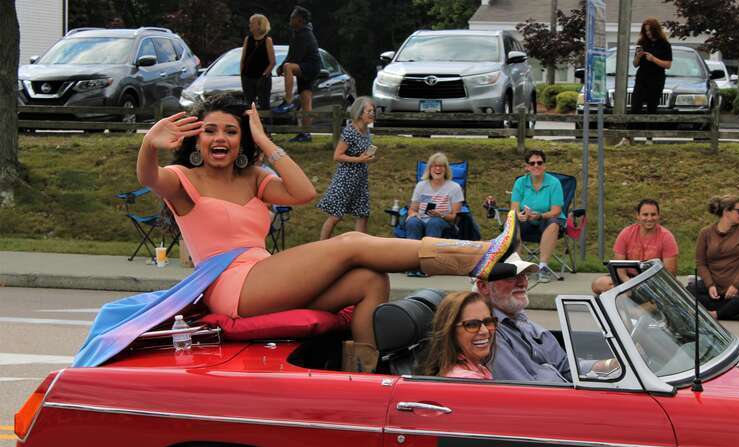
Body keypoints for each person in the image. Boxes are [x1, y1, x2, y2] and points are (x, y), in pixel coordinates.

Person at [136, 95, 520, 372]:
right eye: (210, 131)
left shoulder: (253, 178)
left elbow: (303, 193)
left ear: (242, 141)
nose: (220, 138)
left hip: (266, 275)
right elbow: (148, 177)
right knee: (351, 243)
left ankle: (365, 369)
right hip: (230, 287)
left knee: (369, 279)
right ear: (197, 140)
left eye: (231, 131)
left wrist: (266, 142)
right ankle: (481, 256)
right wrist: (149, 145)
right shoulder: (183, 179)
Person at [475, 253, 618, 383]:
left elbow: (564, 365)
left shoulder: (525, 324)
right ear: (483, 287)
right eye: (511, 277)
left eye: (525, 276)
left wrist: (610, 365)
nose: (522, 283)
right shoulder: (488, 333)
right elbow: (523, 388)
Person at [687, 195, 739, 320]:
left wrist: (735, 285)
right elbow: (701, 263)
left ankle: (717, 314)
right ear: (726, 211)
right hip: (714, 284)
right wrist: (710, 285)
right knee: (688, 291)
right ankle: (734, 311)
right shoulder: (705, 233)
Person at [318, 96, 376, 239]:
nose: (372, 114)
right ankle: (321, 246)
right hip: (346, 179)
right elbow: (337, 156)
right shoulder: (350, 132)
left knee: (363, 213)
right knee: (336, 216)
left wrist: (367, 158)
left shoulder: (366, 131)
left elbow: (361, 154)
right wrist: (358, 159)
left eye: (373, 111)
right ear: (359, 113)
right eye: (369, 111)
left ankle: (360, 248)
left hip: (360, 179)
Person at [593, 198, 679, 290]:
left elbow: (670, 272)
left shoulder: (667, 237)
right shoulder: (626, 233)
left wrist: (648, 287)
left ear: (658, 216)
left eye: (653, 215)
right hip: (627, 279)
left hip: (654, 280)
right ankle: (631, 296)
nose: (649, 218)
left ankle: (635, 299)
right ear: (638, 216)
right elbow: (619, 267)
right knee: (598, 284)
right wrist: (628, 284)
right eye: (645, 215)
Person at [403, 153, 465, 278]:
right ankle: (412, 265)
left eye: (441, 166)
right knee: (412, 222)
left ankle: (428, 266)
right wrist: (412, 214)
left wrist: (440, 215)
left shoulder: (454, 187)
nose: (438, 169)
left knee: (434, 222)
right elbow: (412, 209)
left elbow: (454, 216)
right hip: (421, 218)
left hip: (443, 221)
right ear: (429, 169)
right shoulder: (421, 185)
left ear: (446, 169)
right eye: (434, 166)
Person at [510, 149, 564, 283]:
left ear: (544, 165)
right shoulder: (520, 182)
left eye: (539, 162)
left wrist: (540, 216)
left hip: (547, 218)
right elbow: (514, 208)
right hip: (527, 220)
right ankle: (517, 267)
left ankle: (543, 268)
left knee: (554, 222)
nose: (536, 166)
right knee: (513, 222)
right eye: (532, 163)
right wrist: (519, 215)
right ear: (527, 167)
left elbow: (556, 210)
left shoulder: (554, 183)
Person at [618, 18, 672, 146]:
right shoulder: (642, 42)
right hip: (641, 78)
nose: (648, 33)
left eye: (650, 30)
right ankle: (628, 138)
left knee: (651, 108)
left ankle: (649, 139)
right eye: (645, 30)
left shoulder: (664, 44)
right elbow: (635, 64)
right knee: (635, 106)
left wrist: (653, 59)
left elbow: (668, 64)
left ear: (655, 30)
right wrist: (638, 57)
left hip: (656, 79)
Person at [418, 292, 496, 379]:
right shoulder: (468, 379)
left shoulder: (473, 368)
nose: (485, 331)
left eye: (488, 322)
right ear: (450, 332)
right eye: (472, 325)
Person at [273, 6, 321, 143]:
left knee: (289, 67)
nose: (290, 19)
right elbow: (291, 54)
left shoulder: (304, 34)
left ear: (299, 20)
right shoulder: (298, 32)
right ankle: (305, 133)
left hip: (310, 66)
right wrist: (282, 66)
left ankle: (288, 101)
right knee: (306, 101)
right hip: (307, 66)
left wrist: (284, 67)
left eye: (292, 17)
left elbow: (295, 56)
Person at [240, 14, 275, 110]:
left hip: (262, 78)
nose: (250, 25)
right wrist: (242, 74)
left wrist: (264, 75)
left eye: (252, 23)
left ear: (260, 25)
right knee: (249, 105)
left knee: (264, 105)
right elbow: (243, 59)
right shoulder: (248, 39)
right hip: (247, 77)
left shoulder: (267, 40)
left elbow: (272, 62)